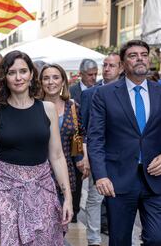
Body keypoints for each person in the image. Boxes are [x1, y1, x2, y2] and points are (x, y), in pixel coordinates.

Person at [0, 50, 73, 245]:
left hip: (42, 190)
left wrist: (68, 197)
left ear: (31, 74)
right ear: (5, 77)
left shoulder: (47, 109)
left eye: (23, 71)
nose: (18, 77)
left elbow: (56, 155)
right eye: (12, 72)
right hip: (3, 191)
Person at [88, 40, 161, 246]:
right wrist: (100, 175)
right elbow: (95, 138)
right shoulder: (104, 95)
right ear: (122, 64)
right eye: (133, 55)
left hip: (155, 179)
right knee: (119, 240)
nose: (140, 58)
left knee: (157, 238)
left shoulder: (160, 91)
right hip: (118, 179)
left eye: (144, 54)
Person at [81, 52, 123, 245]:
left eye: (111, 65)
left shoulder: (129, 93)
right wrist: (86, 156)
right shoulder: (90, 93)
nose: (106, 69)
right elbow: (84, 128)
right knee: (95, 198)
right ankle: (94, 239)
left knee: (121, 199)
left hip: (123, 156)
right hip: (98, 155)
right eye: (104, 65)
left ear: (121, 68)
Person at [39, 63, 88, 203]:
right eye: (46, 78)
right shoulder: (34, 107)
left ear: (63, 81)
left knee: (62, 219)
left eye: (55, 77)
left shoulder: (72, 107)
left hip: (65, 172)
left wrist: (83, 157)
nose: (51, 82)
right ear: (40, 82)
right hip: (39, 173)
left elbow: (80, 133)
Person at [69, 58, 98, 223]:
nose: (93, 78)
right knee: (76, 178)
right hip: (75, 141)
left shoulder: (101, 90)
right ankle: (73, 211)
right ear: (81, 74)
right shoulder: (70, 91)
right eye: (89, 74)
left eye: (95, 74)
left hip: (94, 142)